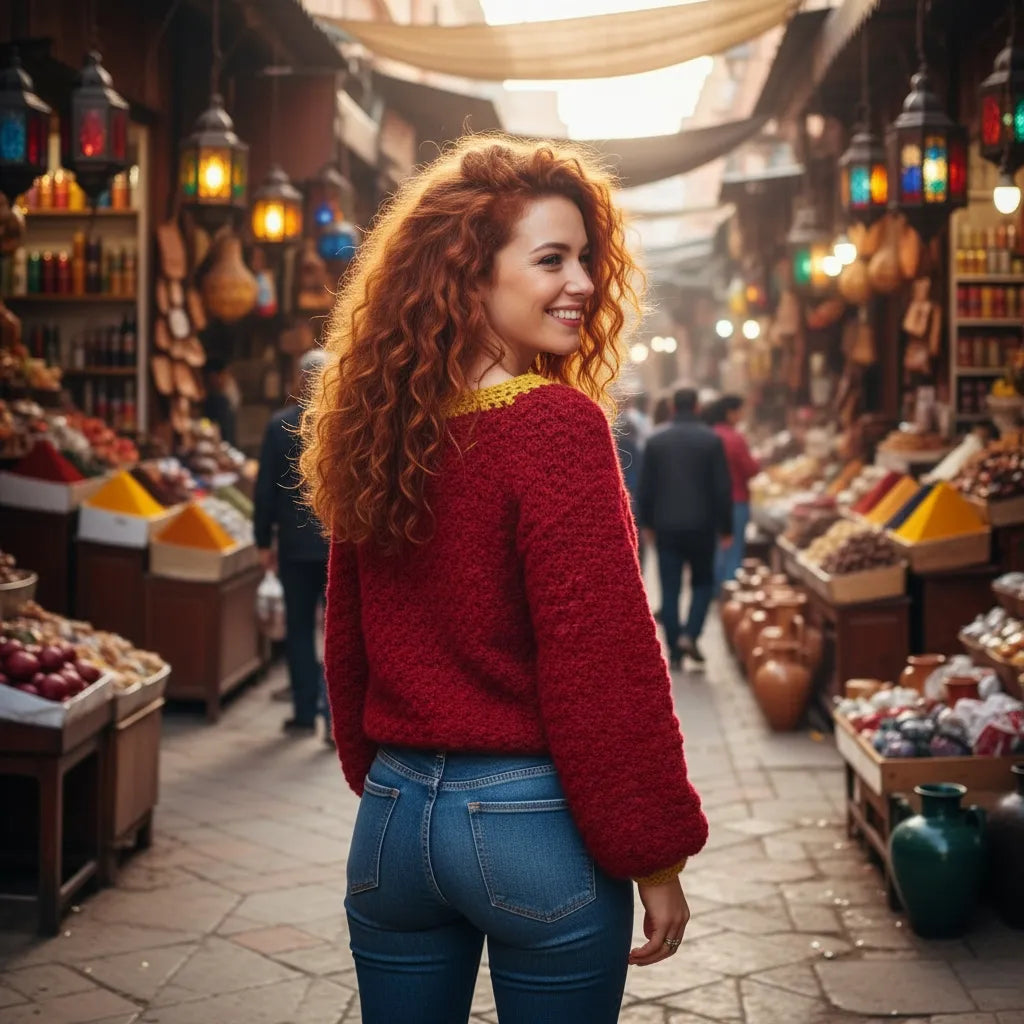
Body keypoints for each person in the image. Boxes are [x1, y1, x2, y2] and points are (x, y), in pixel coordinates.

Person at [299, 137, 707, 1024]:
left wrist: (384, 777)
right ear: (467, 275)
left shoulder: (379, 424)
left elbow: (348, 638)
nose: (584, 284)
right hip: (531, 826)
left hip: (393, 825)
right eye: (551, 259)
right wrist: (654, 855)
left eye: (588, 260)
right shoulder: (555, 424)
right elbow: (603, 658)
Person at [254, 348, 331, 740]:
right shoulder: (343, 423)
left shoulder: (280, 425)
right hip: (335, 546)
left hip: (294, 547)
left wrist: (261, 539)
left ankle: (304, 713)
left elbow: (265, 490)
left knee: (299, 630)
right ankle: (335, 724)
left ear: (301, 380)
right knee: (335, 634)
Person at [639, 387, 732, 668]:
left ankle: (675, 650)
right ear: (696, 407)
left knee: (670, 587)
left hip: (666, 526)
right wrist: (726, 527)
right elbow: (721, 488)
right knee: (703, 582)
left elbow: (646, 489)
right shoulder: (711, 440)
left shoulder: (656, 441)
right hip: (702, 526)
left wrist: (646, 523)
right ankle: (690, 634)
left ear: (670, 406)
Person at [705, 394, 760, 589]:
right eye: (740, 411)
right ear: (730, 413)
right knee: (734, 550)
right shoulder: (735, 438)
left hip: (710, 502)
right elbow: (750, 469)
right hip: (736, 500)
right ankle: (729, 594)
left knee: (716, 549)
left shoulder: (708, 435)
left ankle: (714, 589)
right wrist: (760, 460)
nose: (742, 415)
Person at [201, 356, 239, 447]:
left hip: (224, 447)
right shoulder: (213, 399)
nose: (224, 379)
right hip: (217, 447)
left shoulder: (223, 398)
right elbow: (206, 423)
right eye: (224, 375)